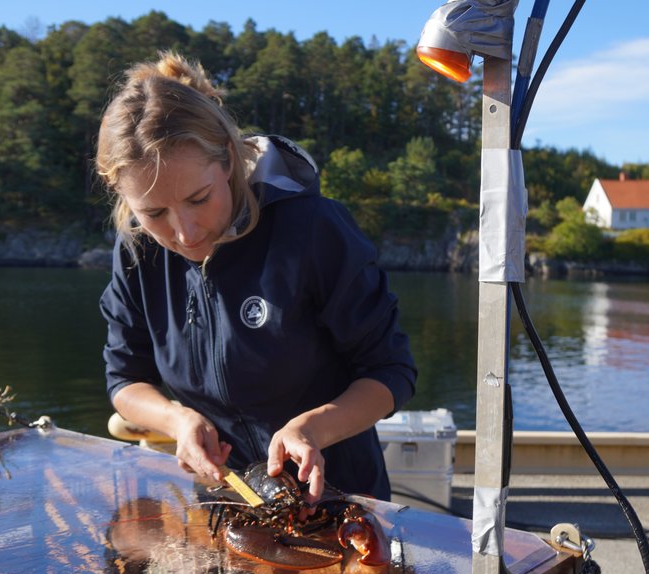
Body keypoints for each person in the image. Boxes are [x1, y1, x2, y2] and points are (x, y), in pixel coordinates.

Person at [96, 51, 416, 503]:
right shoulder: (136, 252)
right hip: (224, 502)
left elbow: (391, 371)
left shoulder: (312, 230)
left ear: (227, 159)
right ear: (121, 194)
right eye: (154, 213)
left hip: (337, 501)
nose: (185, 233)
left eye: (199, 198)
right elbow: (125, 380)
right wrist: (178, 420)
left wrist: (313, 428)